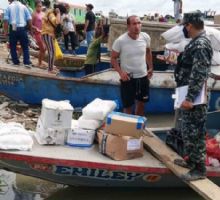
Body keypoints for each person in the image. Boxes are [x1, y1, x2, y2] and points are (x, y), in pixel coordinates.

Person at [173, 11, 213, 181]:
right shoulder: (196, 42)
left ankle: (199, 169)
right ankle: (191, 161)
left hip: (194, 98)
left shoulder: (201, 44)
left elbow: (199, 73)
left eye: (184, 26)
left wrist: (189, 99)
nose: (184, 29)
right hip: (188, 94)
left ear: (189, 25)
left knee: (195, 132)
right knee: (188, 131)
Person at [111, 15, 153, 116]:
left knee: (141, 104)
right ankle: (128, 129)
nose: (137, 26)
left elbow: (148, 52)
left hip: (143, 77)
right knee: (128, 106)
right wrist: (121, 73)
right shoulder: (120, 41)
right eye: (134, 24)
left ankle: (138, 129)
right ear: (128, 26)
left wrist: (151, 67)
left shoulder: (145, 37)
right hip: (128, 79)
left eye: (139, 23)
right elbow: (113, 58)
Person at [3, 0, 32, 67]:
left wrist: (5, 31)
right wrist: (30, 30)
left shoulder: (9, 7)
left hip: (14, 27)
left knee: (13, 46)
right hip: (22, 28)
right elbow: (29, 19)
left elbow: (5, 21)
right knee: (25, 46)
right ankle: (26, 62)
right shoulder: (24, 7)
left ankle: (15, 62)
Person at [41, 4, 61, 73]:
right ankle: (50, 69)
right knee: (51, 51)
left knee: (53, 51)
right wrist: (58, 13)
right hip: (47, 34)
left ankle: (51, 66)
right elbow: (57, 22)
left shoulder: (51, 13)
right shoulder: (51, 14)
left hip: (49, 34)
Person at [32, 0, 45, 68]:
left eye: (40, 6)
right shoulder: (34, 14)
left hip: (44, 33)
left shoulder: (43, 13)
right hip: (37, 34)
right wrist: (36, 28)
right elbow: (30, 25)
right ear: (35, 6)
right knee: (42, 48)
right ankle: (39, 63)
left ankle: (40, 62)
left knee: (44, 49)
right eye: (38, 6)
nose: (39, 7)